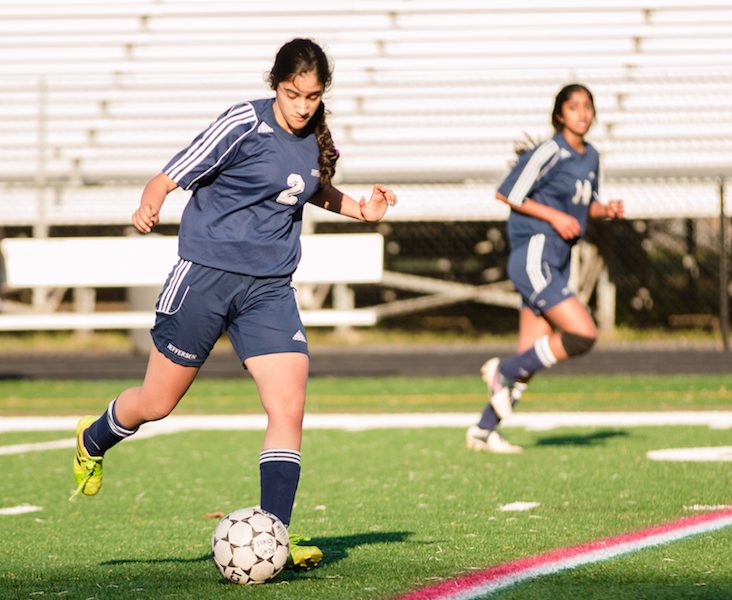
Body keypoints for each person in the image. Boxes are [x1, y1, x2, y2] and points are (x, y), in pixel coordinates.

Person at [70, 38, 397, 571]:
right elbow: (168, 175)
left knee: (288, 408)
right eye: (294, 94)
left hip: (269, 289)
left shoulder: (314, 137)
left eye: (313, 97)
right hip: (205, 278)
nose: (303, 106)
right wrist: (150, 203)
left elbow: (308, 189)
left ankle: (275, 535)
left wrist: (363, 208)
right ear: (276, 85)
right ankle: (94, 435)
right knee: (156, 403)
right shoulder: (241, 122)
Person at [466, 83, 623, 454]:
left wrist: (606, 209)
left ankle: (483, 430)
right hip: (534, 254)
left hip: (556, 259)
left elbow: (581, 206)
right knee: (583, 333)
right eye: (573, 107)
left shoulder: (591, 157)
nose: (582, 113)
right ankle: (500, 371)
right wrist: (554, 215)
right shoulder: (550, 150)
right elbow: (507, 192)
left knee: (531, 356)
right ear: (559, 115)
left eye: (588, 106)